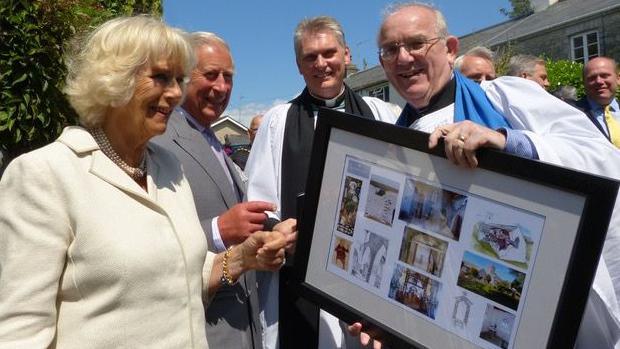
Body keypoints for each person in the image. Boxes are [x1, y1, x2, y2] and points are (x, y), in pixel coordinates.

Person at [0, 16, 296, 349]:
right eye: (160, 77)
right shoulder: (45, 174)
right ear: (113, 79)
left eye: (179, 79)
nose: (174, 93)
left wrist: (243, 256)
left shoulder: (168, 168)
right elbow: (20, 332)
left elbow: (175, 278)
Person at [350, 3, 620, 348]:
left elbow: (604, 161)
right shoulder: (394, 143)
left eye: (417, 44)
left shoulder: (505, 97)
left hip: (548, 305)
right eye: (390, 50)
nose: (403, 59)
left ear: (450, 50)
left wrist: (509, 142)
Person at [244, 15, 397, 349]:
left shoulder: (382, 113)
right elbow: (258, 199)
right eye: (310, 57)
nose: (321, 64)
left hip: (369, 271)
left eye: (329, 53)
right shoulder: (277, 121)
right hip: (302, 274)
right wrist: (279, 229)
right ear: (299, 66)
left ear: (346, 55)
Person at [152, 32, 274, 348]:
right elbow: (148, 239)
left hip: (244, 327)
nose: (221, 87)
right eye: (210, 75)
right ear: (183, 76)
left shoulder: (213, 142)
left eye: (228, 77)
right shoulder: (158, 143)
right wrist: (219, 230)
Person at [575, 56, 620, 147]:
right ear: (584, 83)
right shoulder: (573, 114)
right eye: (592, 78)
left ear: (618, 79)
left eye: (604, 75)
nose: (599, 81)